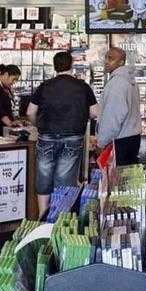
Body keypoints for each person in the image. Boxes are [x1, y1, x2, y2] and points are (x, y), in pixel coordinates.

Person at [27, 51, 99, 216]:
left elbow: (30, 111)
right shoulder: (82, 87)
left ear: (54, 66)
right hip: (73, 137)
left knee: (44, 174)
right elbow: (95, 112)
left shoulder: (45, 86)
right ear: (71, 65)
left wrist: (37, 124)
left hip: (46, 136)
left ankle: (43, 214)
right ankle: (60, 216)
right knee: (65, 177)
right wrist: (80, 114)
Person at [97, 47, 142, 164]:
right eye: (106, 58)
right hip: (132, 137)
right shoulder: (130, 81)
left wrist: (101, 142)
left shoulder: (117, 83)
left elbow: (113, 117)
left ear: (121, 62)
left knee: (116, 179)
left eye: (111, 58)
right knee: (127, 179)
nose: (106, 61)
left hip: (120, 140)